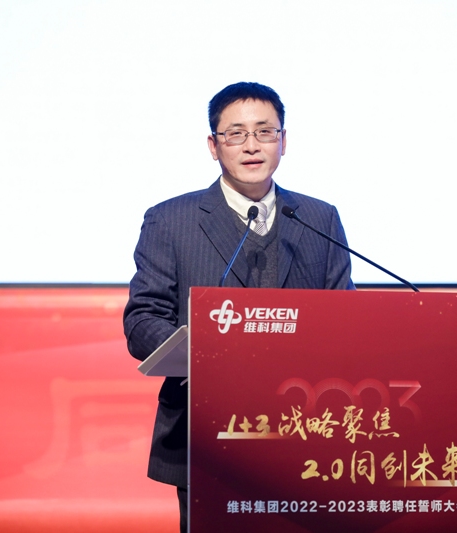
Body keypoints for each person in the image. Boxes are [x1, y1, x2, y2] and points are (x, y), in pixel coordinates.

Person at [122, 81, 354, 532]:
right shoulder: (170, 220)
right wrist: (199, 353)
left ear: (283, 141)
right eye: (236, 134)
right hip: (206, 432)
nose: (252, 146)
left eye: (265, 132)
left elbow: (345, 319)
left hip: (306, 436)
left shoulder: (318, 218)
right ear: (214, 146)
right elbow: (143, 318)